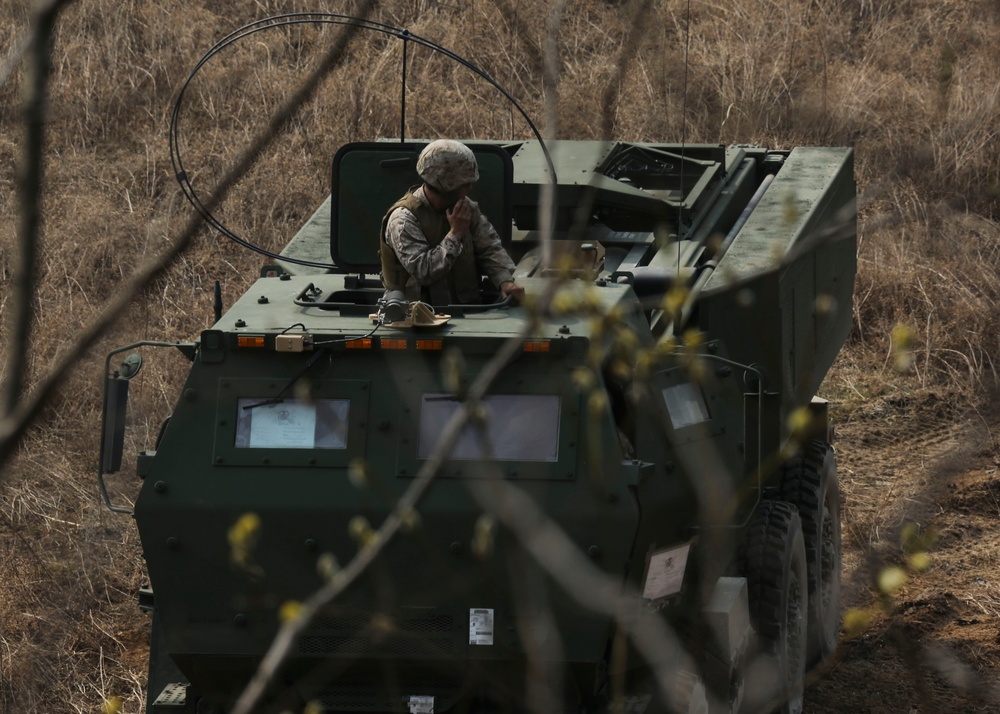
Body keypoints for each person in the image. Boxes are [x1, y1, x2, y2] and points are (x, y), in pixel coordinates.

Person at [379, 139, 525, 306]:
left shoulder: (465, 207)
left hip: (466, 310)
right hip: (417, 316)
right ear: (446, 185)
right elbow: (424, 272)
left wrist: (504, 280)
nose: (470, 188)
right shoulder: (403, 219)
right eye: (465, 184)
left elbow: (489, 247)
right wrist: (455, 234)